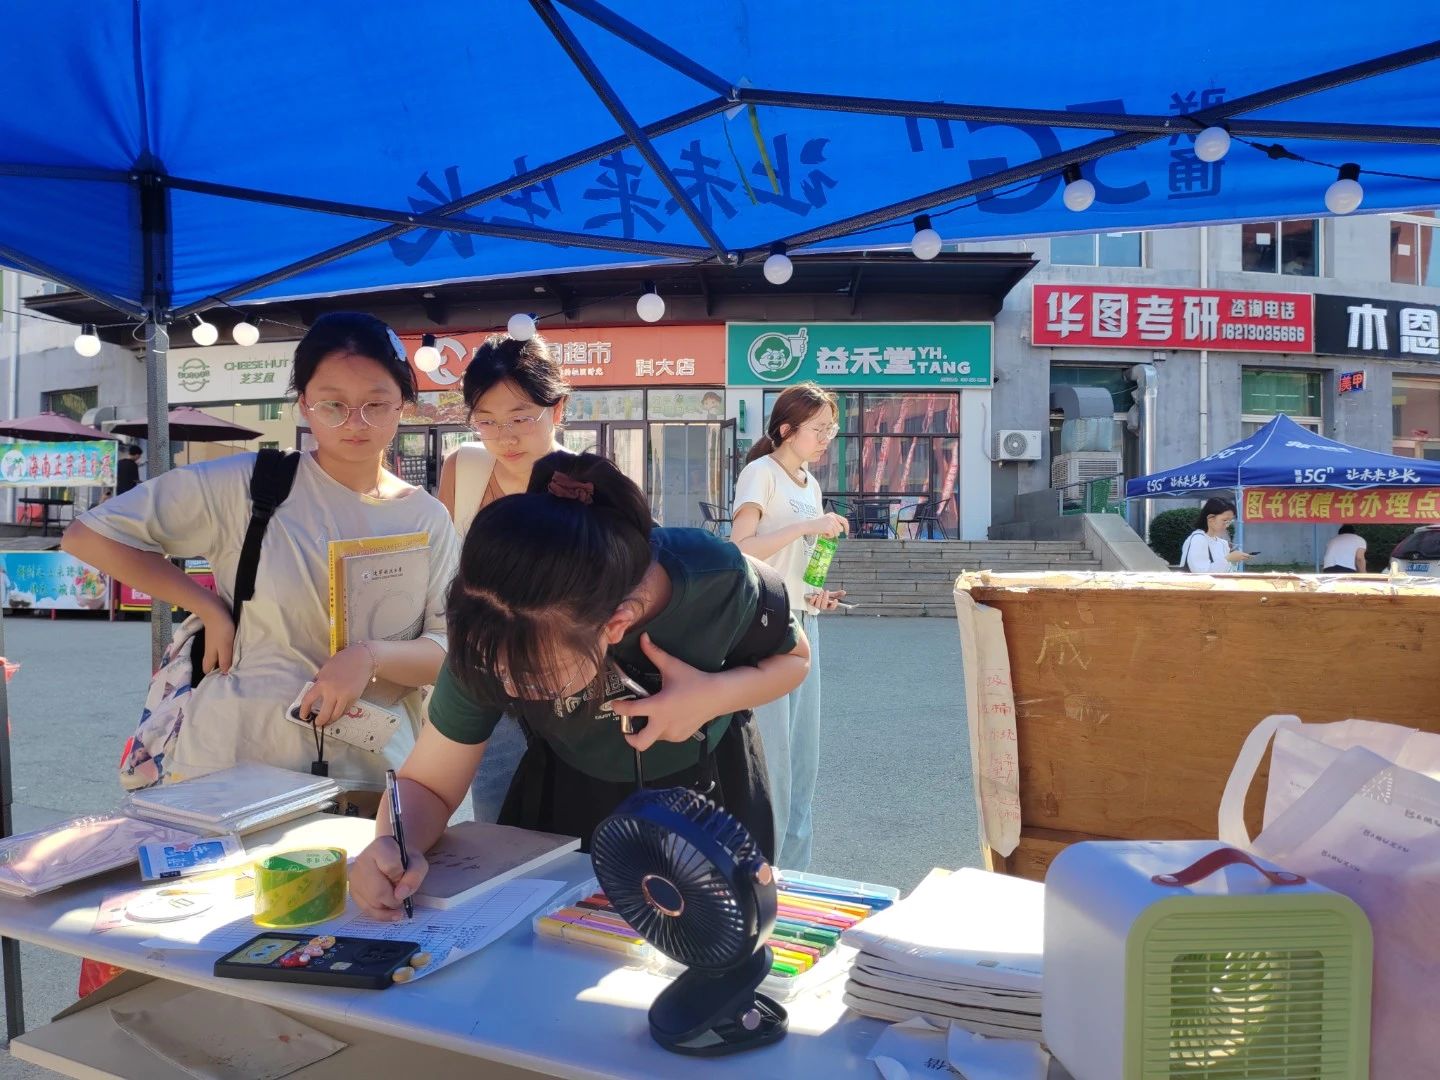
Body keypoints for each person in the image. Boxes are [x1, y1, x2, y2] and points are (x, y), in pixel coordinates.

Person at [349, 451, 811, 921]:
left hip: (707, 792)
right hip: (567, 795)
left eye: (534, 675)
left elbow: (794, 660)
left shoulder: (713, 578)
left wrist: (710, 697)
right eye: (495, 668)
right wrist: (393, 845)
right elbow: (428, 784)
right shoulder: (492, 623)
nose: (508, 688)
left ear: (616, 625)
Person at [62, 312, 460, 799]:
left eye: (376, 404)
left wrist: (371, 658)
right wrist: (207, 605)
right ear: (304, 404)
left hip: (369, 775)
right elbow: (89, 535)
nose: (355, 422)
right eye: (332, 404)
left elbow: (449, 649)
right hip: (233, 762)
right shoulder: (249, 485)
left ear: (404, 405)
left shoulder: (426, 518)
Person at [437, 332, 569, 821]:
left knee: (571, 820)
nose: (505, 437)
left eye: (520, 418)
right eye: (487, 420)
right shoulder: (464, 468)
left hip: (566, 682)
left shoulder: (587, 481)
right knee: (497, 817)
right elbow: (444, 569)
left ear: (557, 409)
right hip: (487, 676)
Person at [730, 382, 849, 871]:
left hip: (804, 620)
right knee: (774, 761)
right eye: (818, 429)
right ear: (786, 429)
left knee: (803, 762)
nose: (826, 439)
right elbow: (740, 547)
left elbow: (797, 564)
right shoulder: (760, 473)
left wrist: (815, 592)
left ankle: (796, 877)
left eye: (831, 430)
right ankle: (765, 875)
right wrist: (807, 526)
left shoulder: (809, 485)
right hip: (767, 624)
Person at [1180, 497, 1253, 573]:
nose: (1227, 525)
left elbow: (1226, 571)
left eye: (1230, 521)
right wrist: (1229, 559)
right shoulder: (1198, 539)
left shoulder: (1223, 543)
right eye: (1225, 520)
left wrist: (1233, 560)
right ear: (1210, 518)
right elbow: (1199, 572)